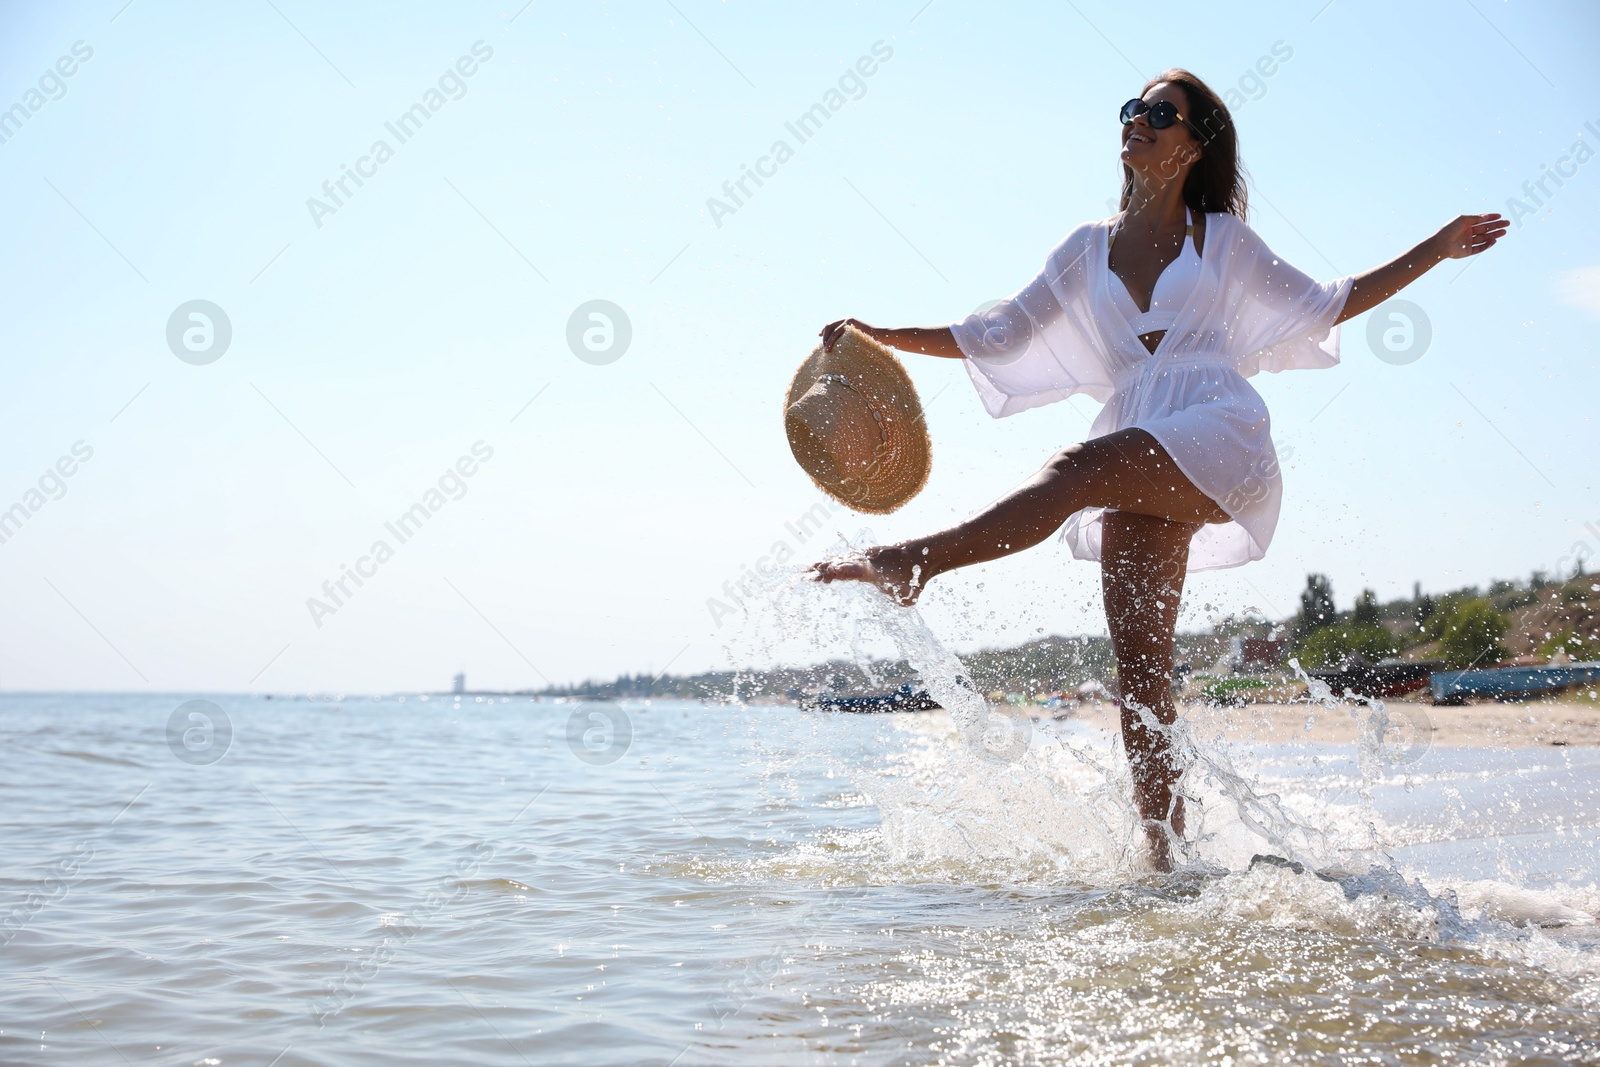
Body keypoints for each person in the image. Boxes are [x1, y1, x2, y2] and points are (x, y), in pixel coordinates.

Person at [810, 68, 1506, 870]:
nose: (1138, 120)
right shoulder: (1084, 248)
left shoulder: (1225, 242)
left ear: (1195, 142)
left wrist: (1438, 246)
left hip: (1217, 429)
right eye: (1132, 109)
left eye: (1160, 112)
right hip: (1138, 447)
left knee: (1073, 465)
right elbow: (997, 333)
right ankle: (1167, 866)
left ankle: (910, 560)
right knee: (1140, 677)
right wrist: (881, 335)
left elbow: (1328, 302)